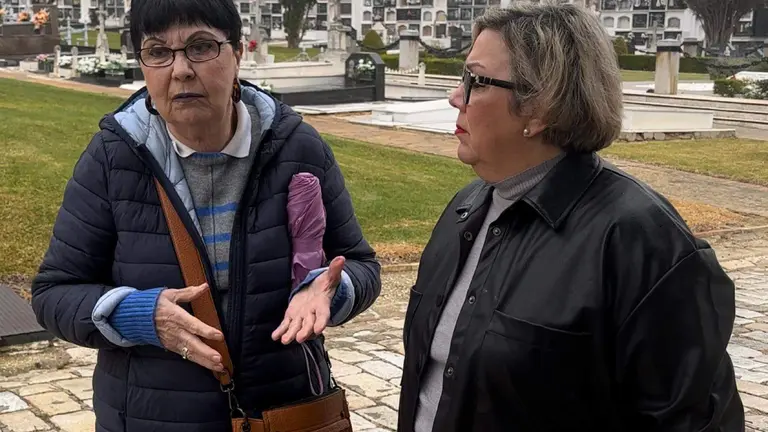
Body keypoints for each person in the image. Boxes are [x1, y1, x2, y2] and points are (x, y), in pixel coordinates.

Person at [30, 0, 381, 430]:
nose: (180, 70)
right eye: (158, 52)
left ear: (238, 54)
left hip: (283, 412)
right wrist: (138, 314)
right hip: (151, 417)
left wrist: (330, 291)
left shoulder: (298, 148)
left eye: (200, 47)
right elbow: (54, 293)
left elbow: (361, 265)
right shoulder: (113, 158)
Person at [398, 4, 743, 432]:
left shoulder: (641, 241)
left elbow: (691, 420)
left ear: (541, 106)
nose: (455, 96)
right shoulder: (466, 207)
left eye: (475, 81)